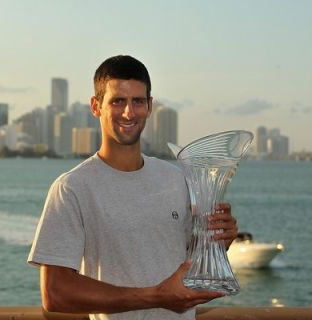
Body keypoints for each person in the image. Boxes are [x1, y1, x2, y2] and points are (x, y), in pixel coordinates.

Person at [27, 55, 238, 320]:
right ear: (96, 106)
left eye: (138, 101)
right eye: (118, 101)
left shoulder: (176, 180)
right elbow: (56, 293)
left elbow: (188, 265)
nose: (129, 113)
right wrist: (155, 296)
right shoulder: (72, 188)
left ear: (150, 106)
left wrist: (218, 242)